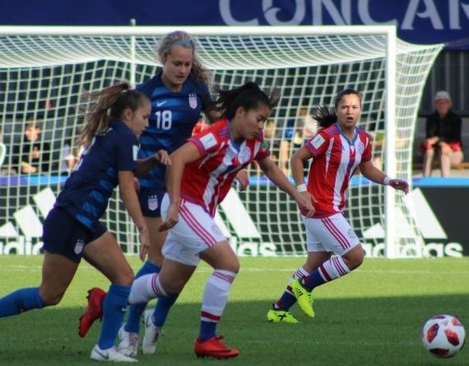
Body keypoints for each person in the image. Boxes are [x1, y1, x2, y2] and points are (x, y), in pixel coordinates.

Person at [0, 82, 171, 363]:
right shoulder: (125, 138)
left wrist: (153, 161)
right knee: (49, 295)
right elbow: (127, 186)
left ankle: (105, 348)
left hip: (83, 219)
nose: (148, 122)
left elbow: (130, 170)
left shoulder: (117, 135)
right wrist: (143, 228)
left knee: (124, 278)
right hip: (72, 218)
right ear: (129, 114)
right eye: (145, 116)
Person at [77, 30, 249, 357]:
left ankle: (154, 318)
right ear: (163, 60)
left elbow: (222, 130)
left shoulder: (198, 91)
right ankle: (128, 326)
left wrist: (236, 165)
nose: (182, 69)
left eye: (187, 64)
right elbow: (122, 135)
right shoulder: (145, 94)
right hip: (154, 183)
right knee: (160, 260)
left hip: (187, 185)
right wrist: (130, 169)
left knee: (182, 263)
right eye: (176, 63)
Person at [127, 82, 315, 359]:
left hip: (200, 211)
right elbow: (177, 159)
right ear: (240, 112)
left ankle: (106, 301)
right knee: (228, 264)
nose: (261, 126)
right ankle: (206, 338)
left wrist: (298, 195)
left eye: (265, 120)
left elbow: (270, 167)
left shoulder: (252, 142)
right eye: (259, 118)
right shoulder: (216, 136)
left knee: (167, 284)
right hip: (186, 206)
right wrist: (175, 204)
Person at [266, 89, 409, 324]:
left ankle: (279, 310)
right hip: (320, 208)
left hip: (329, 209)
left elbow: (367, 168)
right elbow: (296, 158)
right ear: (337, 110)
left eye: (354, 107)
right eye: (344, 107)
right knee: (355, 256)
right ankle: (305, 286)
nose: (349, 111)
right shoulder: (328, 136)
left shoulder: (364, 139)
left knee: (314, 263)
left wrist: (389, 181)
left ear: (360, 110)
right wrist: (302, 191)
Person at [420, 91, 463, 177]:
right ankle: (425, 181)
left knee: (444, 154)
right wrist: (441, 143)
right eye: (439, 103)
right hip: (435, 152)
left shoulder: (456, 119)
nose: (441, 105)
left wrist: (438, 140)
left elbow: (455, 138)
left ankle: (445, 182)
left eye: (444, 103)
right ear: (435, 105)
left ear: (449, 104)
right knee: (429, 152)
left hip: (453, 152)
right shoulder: (430, 119)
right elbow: (430, 138)